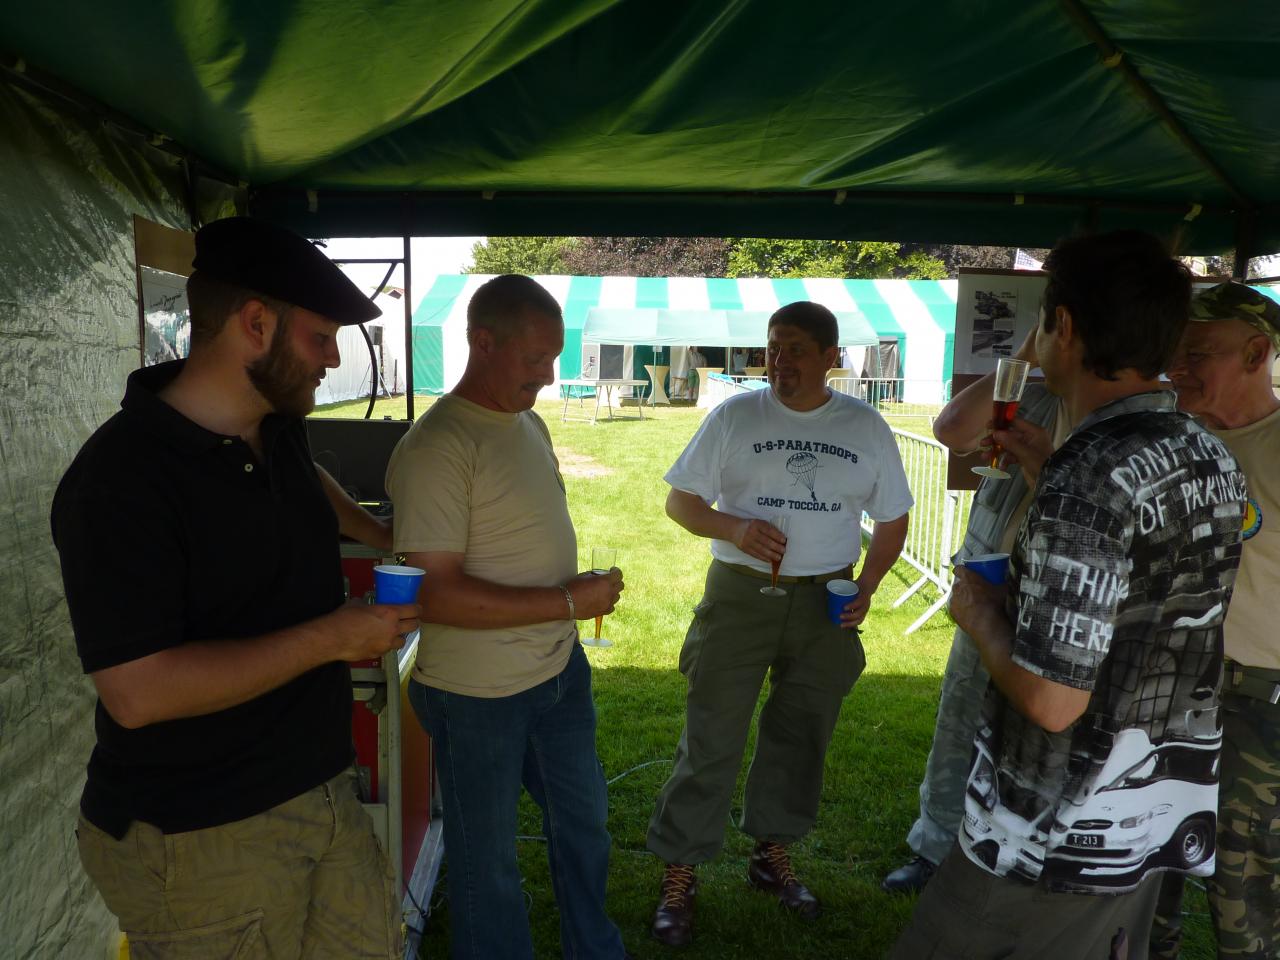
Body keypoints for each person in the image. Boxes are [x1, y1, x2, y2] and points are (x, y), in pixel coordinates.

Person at [52, 216, 419, 958]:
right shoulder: (120, 480)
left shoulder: (275, 427)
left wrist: (374, 531)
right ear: (256, 324)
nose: (333, 358)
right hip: (200, 836)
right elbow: (138, 692)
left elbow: (308, 480)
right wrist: (332, 638)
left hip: (321, 791)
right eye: (321, 337)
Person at [891, 230, 1246, 959]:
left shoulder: (1087, 473)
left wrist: (978, 613)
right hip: (1148, 818)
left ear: (1064, 326)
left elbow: (1054, 701)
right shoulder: (1206, 451)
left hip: (1046, 834)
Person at [646, 301, 913, 947]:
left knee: (800, 735)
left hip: (825, 602)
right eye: (773, 347)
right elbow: (681, 501)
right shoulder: (735, 416)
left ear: (830, 357)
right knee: (711, 734)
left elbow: (894, 516)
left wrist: (868, 587)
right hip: (739, 596)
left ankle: (771, 856)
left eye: (794, 349)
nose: (779, 361)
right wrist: (733, 527)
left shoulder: (864, 425)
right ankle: (680, 870)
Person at [386, 274, 630, 960]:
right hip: (477, 696)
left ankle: (595, 950)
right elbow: (433, 594)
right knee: (486, 866)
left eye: (553, 358)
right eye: (535, 359)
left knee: (584, 826)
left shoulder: (527, 422)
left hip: (557, 672)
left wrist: (568, 604)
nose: (548, 376)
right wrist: (569, 602)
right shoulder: (438, 445)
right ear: (482, 342)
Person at [882, 332, 1070, 893]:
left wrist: (1044, 464)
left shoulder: (1119, 421)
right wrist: (1026, 354)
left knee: (1042, 734)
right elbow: (951, 429)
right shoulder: (1033, 395)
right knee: (960, 716)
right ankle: (935, 849)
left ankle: (1021, 860)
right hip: (986, 585)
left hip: (1055, 602)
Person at [1151, 281, 1280, 960]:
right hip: (1164, 691)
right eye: (1175, 351)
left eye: (1197, 352)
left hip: (1258, 705)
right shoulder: (1174, 442)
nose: (1177, 366)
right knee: (1146, 868)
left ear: (1257, 353)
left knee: (1245, 890)